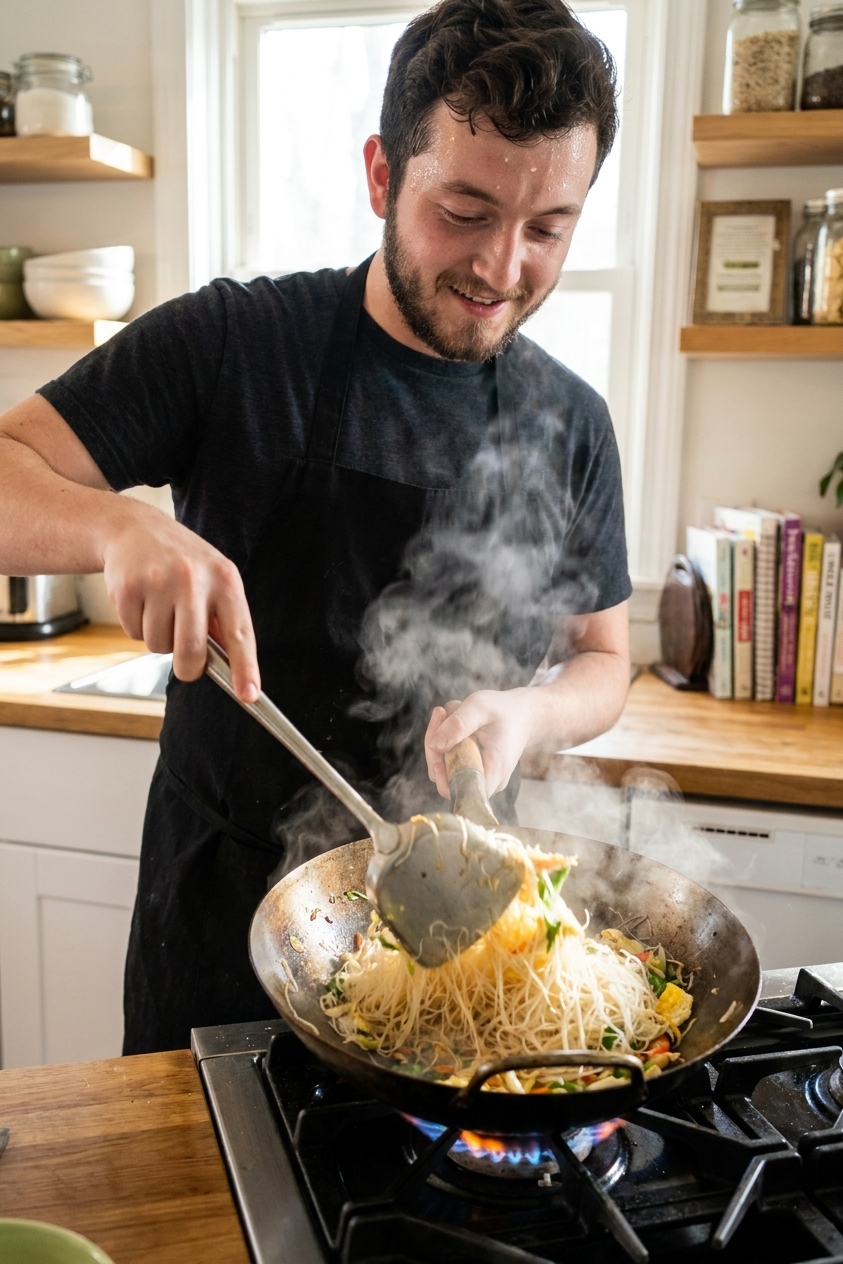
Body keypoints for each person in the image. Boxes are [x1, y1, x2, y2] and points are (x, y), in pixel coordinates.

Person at [0, 0, 631, 1053]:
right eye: (465, 211)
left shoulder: (573, 423)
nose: (502, 268)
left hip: (466, 942)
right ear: (383, 175)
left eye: (548, 229)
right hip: (224, 932)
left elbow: (604, 661)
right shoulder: (236, 343)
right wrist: (116, 529)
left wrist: (526, 715)